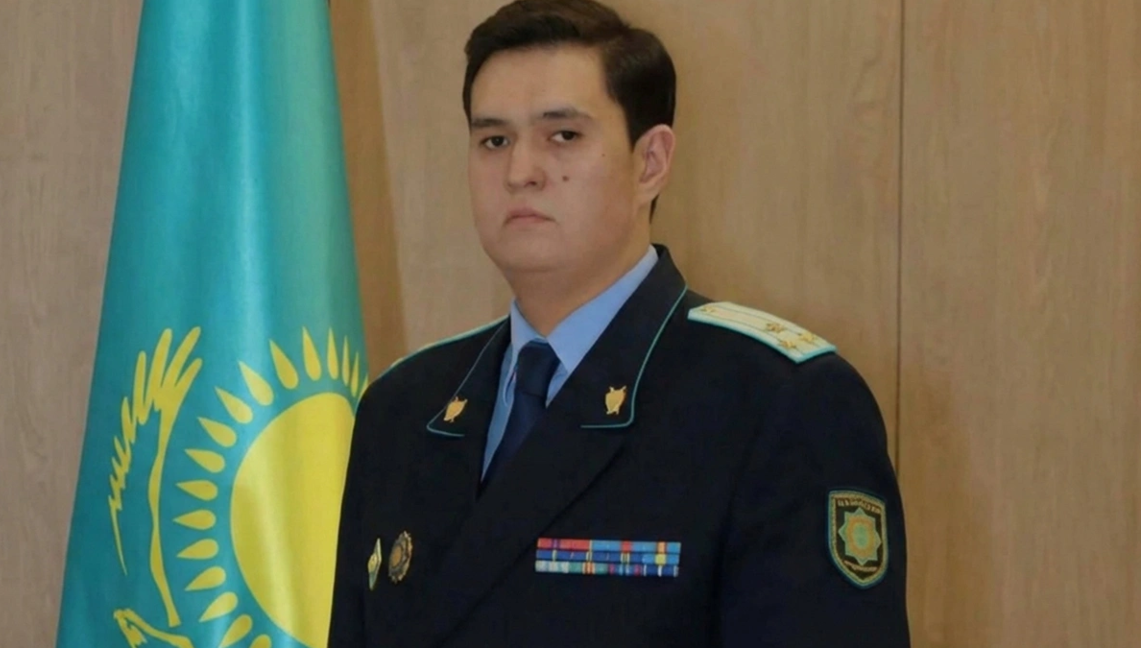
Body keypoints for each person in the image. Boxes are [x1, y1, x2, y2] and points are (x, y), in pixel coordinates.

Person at [327, 0, 910, 646]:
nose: (520, 172)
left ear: (650, 162)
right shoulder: (404, 410)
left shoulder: (778, 403)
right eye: (494, 140)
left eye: (563, 136)